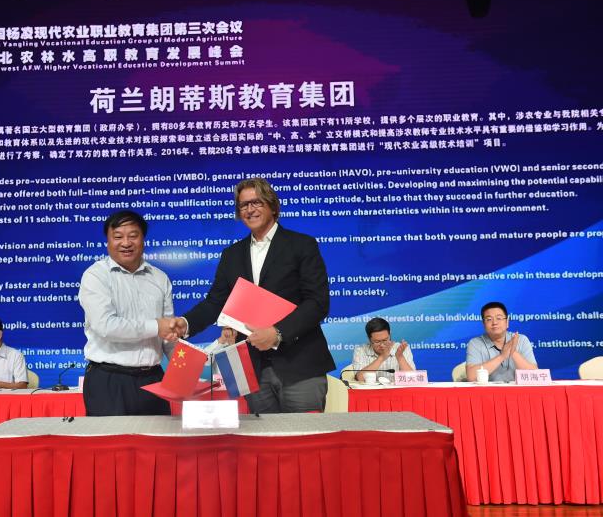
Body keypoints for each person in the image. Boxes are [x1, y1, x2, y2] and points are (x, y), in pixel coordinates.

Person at [171, 178, 334, 413]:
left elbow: (317, 302)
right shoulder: (231, 254)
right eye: (243, 205)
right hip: (250, 369)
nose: (249, 209)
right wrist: (186, 323)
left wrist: (278, 333)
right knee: (261, 436)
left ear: (273, 206)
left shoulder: (302, 245)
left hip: (299, 365)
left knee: (304, 434)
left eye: (256, 202)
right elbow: (215, 302)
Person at [79, 210, 178, 416]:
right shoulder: (96, 276)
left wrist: (188, 369)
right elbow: (106, 327)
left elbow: (168, 336)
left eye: (133, 235)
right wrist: (156, 326)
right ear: (108, 241)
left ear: (143, 240)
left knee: (157, 437)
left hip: (153, 379)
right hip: (109, 381)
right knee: (112, 438)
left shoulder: (160, 278)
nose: (126, 243)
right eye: (118, 236)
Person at [466, 301, 537, 382]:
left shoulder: (522, 340)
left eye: (499, 318)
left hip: (517, 389)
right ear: (483, 324)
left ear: (507, 322)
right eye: (489, 319)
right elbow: (471, 377)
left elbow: (535, 375)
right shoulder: (475, 343)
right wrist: (502, 356)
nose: (494, 323)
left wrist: (513, 351)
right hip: (488, 390)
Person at [351, 317, 415, 382]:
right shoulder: (360, 350)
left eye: (385, 340)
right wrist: (382, 357)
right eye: (377, 342)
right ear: (369, 339)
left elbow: (413, 379)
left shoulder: (401, 349)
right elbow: (360, 378)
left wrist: (400, 357)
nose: (382, 345)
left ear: (390, 335)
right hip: (370, 388)